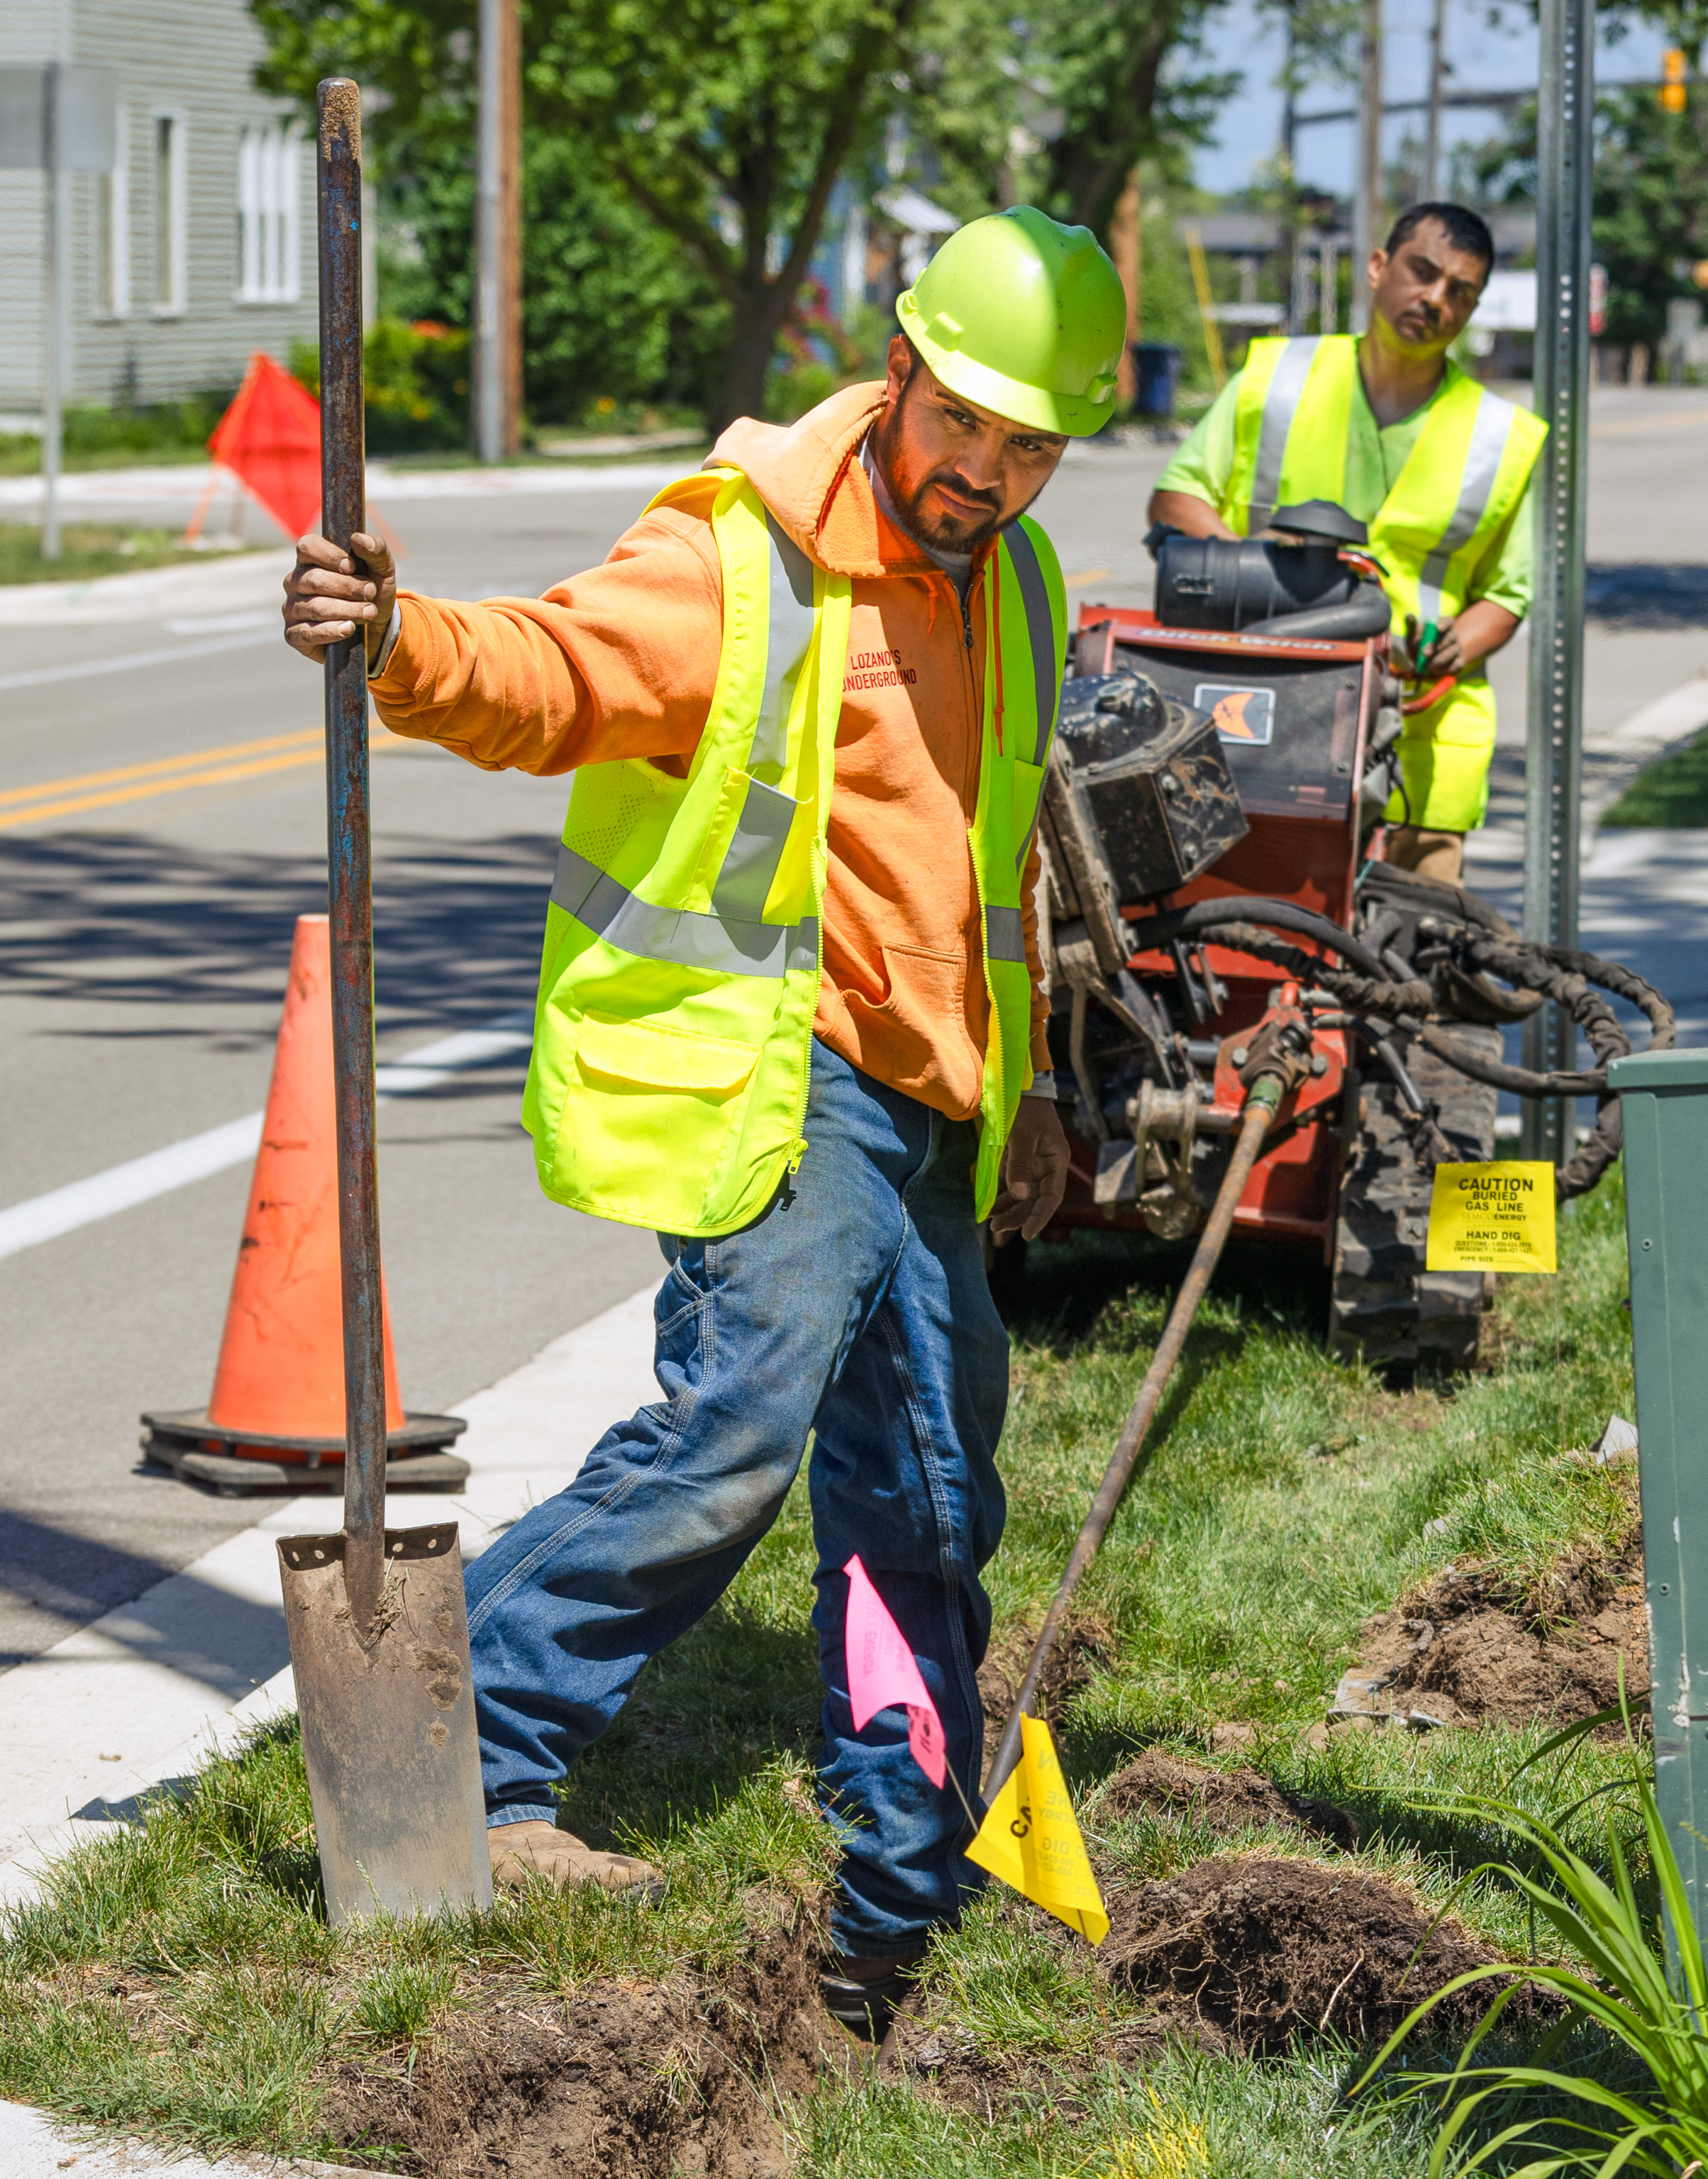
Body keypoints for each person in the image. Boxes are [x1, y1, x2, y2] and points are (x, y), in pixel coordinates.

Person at [277, 207, 1121, 2040]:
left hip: (934, 1097)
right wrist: (401, 635)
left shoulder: (1024, 579)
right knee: (739, 1422)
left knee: (934, 1475)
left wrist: (1033, 1085)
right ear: (898, 372)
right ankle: (470, 1746)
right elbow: (564, 675)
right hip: (781, 1066)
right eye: (966, 422)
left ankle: (902, 1803)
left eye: (1033, 442)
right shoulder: (746, 557)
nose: (990, 469)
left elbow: (1002, 858)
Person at [1143, 202, 1546, 883]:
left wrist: (1450, 645)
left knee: (1411, 962)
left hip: (1420, 750)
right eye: (1423, 272)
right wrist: (1245, 577)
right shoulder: (1278, 380)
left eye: (1461, 292)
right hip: (1265, 717)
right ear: (1380, 266)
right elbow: (1178, 500)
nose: (1436, 299)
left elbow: (1508, 594)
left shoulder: (1501, 436)